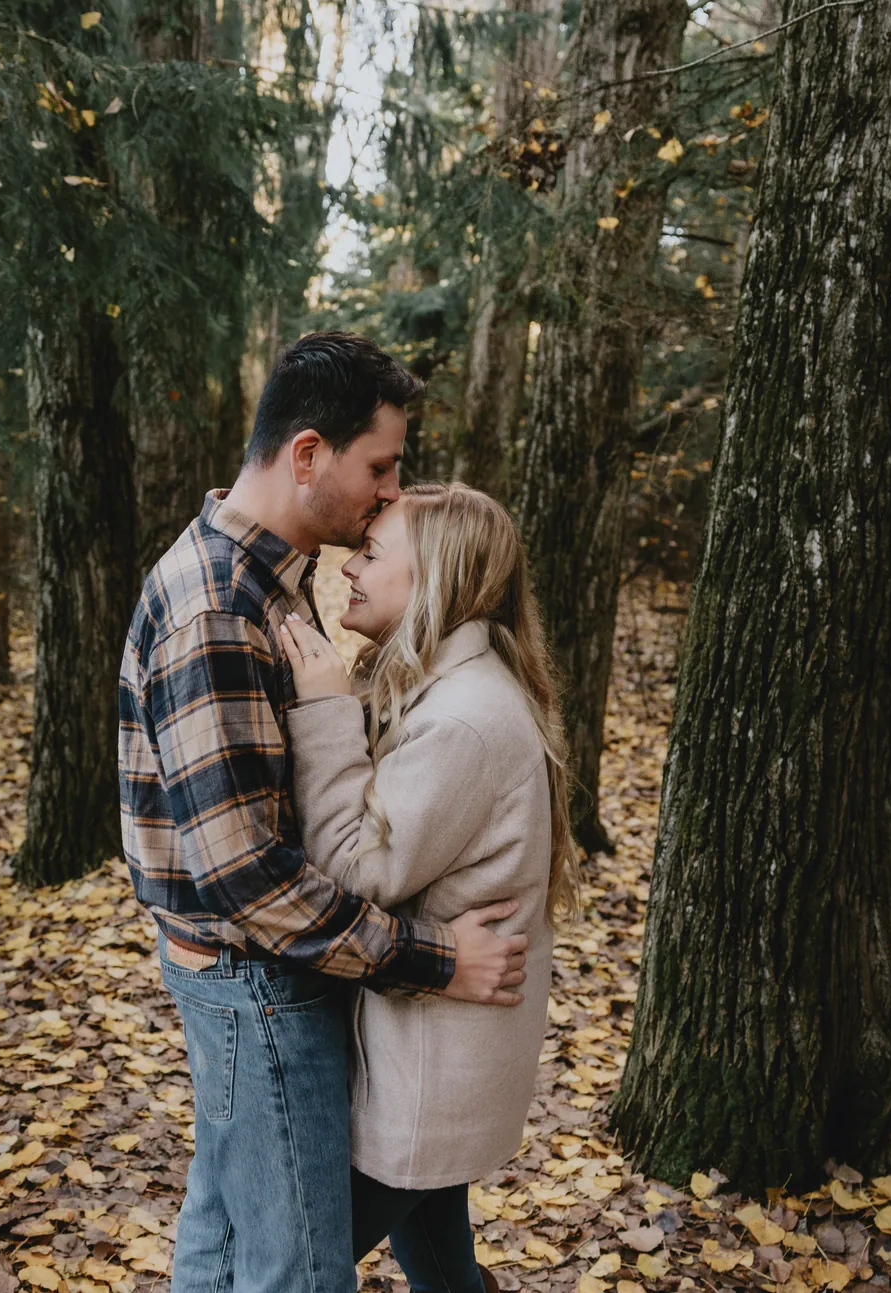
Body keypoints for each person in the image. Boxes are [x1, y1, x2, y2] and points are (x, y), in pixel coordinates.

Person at [118, 333, 531, 1293]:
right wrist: (437, 960)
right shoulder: (219, 608)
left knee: (226, 1252)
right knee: (296, 1270)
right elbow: (246, 878)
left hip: (276, 973)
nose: (393, 493)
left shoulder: (265, 577)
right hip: (261, 980)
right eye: (380, 467)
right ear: (308, 454)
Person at [277, 483, 575, 1293]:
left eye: (374, 553)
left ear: (435, 577)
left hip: (426, 1070)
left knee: (293, 1266)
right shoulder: (452, 688)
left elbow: (356, 867)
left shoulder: (464, 719)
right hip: (433, 1053)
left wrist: (325, 714)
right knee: (442, 1262)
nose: (352, 564)